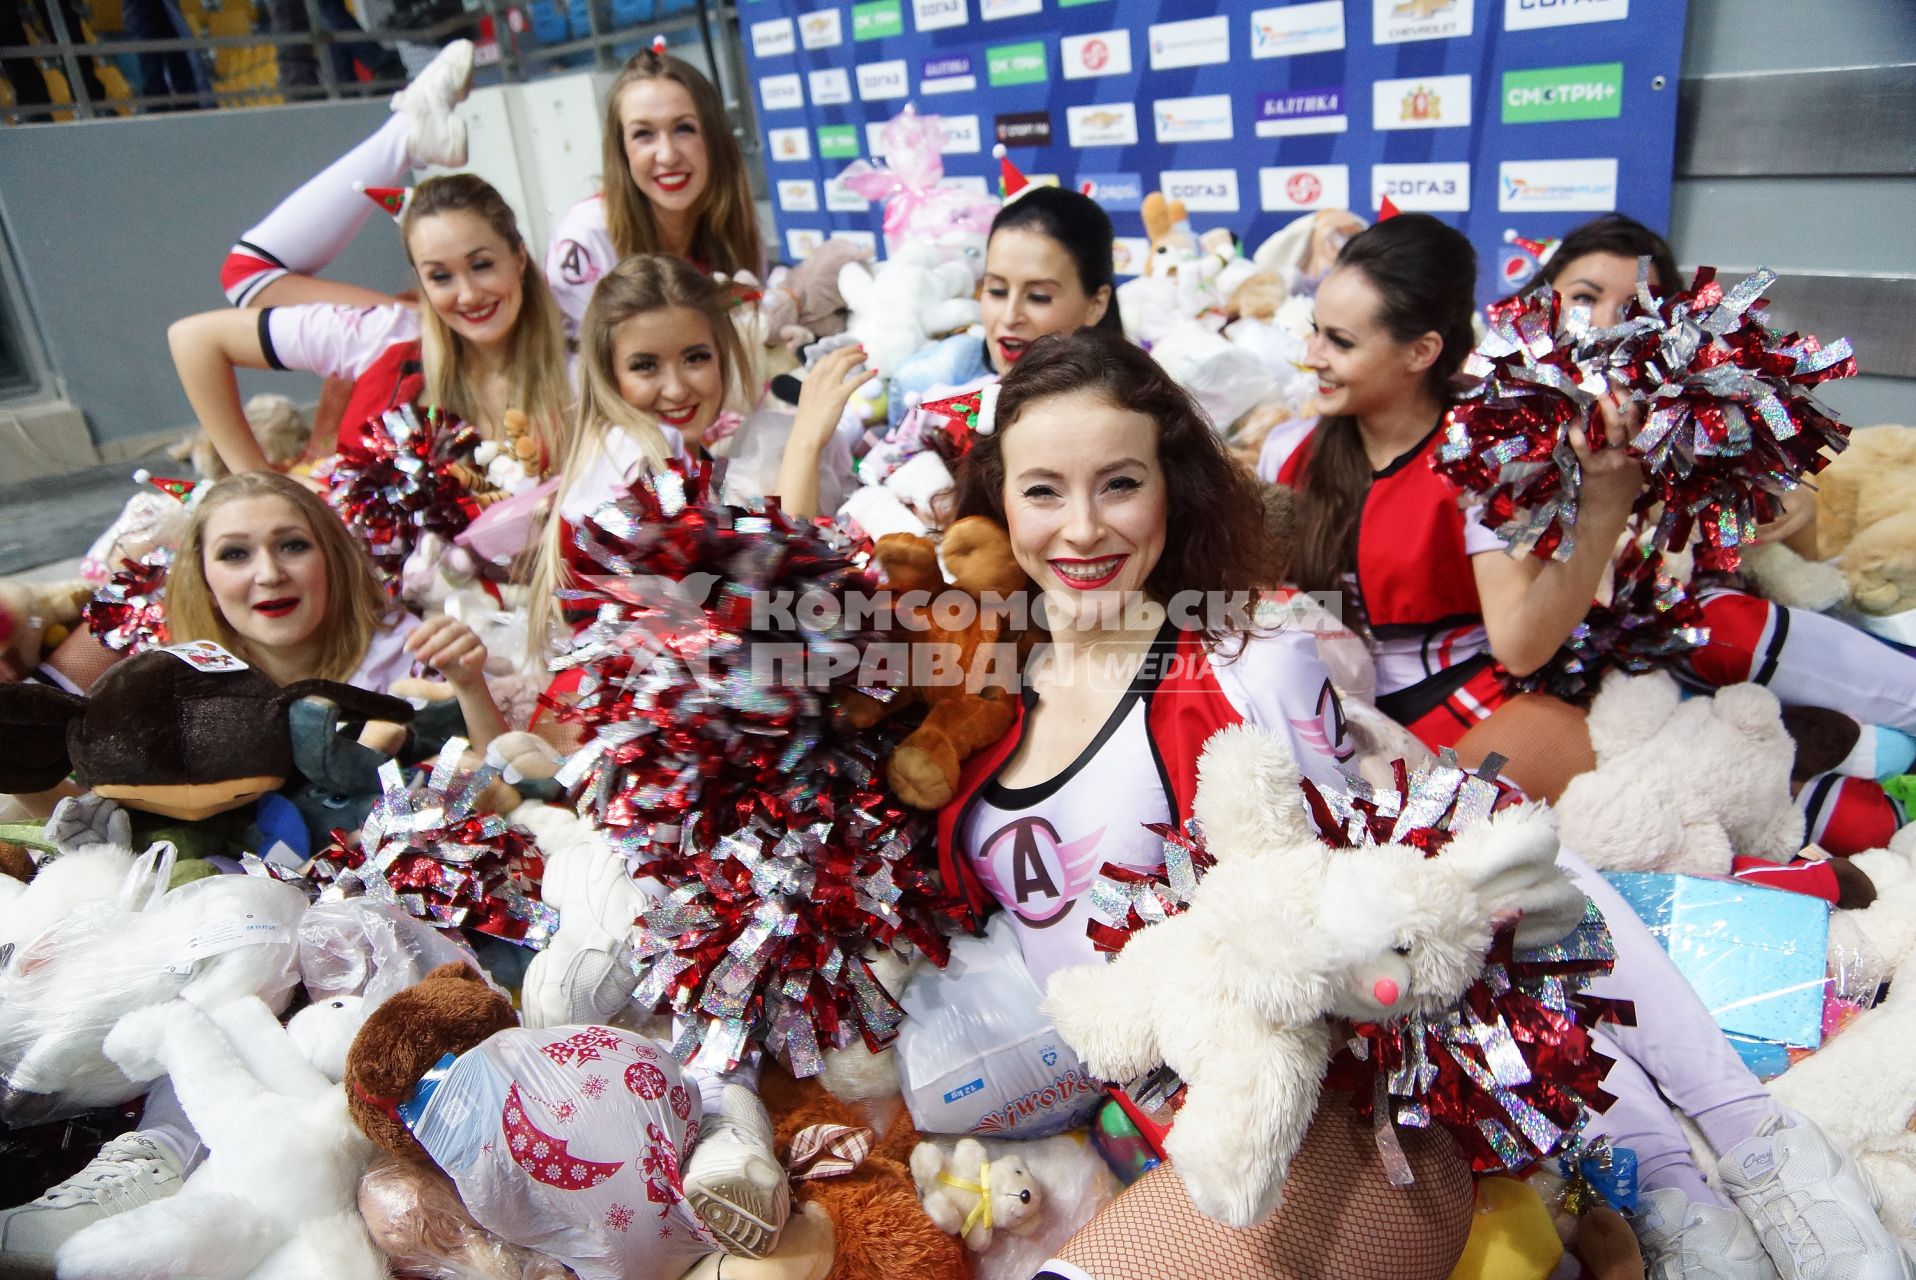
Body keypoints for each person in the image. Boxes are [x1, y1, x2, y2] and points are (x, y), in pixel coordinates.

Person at [1272, 214, 1909, 1280]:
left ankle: (1735, 1159)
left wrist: (1608, 499)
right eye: (1315, 332)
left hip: (1505, 709)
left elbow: (1524, 635)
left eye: (1340, 340)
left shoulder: (1479, 452)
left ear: (1421, 349)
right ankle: (1673, 1180)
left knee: (1488, 885)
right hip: (1364, 727)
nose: (1314, 356)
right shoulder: (1297, 449)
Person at [923, 329, 1475, 1276]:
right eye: (1043, 489)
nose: (1084, 529)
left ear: (1174, 488)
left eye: (1121, 483)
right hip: (1135, 1134)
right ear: (998, 501)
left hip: (1327, 1137)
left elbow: (1365, 930)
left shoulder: (1250, 665)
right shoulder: (969, 691)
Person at [171, 170, 573, 477]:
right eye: (440, 276)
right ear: (420, 281)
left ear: (519, 258)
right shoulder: (384, 334)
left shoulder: (579, 364)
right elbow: (194, 340)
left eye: (482, 265)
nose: (467, 294)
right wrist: (257, 483)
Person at [544, 40, 764, 338]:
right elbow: (586, 372)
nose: (667, 155)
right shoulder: (588, 239)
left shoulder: (735, 227)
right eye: (643, 134)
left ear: (714, 140)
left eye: (684, 128)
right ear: (621, 151)